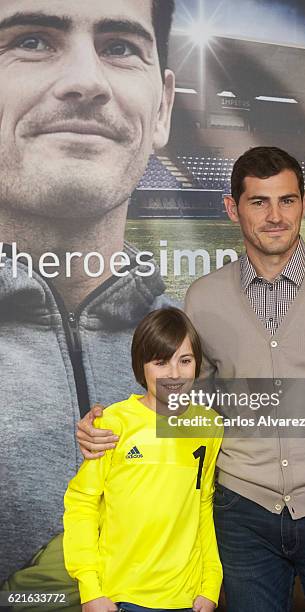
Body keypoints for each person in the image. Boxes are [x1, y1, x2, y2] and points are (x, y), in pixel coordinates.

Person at [80, 147, 305, 611]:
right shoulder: (205, 296)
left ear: (303, 204)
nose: (275, 216)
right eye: (259, 202)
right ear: (233, 208)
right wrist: (108, 427)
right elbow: (190, 404)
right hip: (241, 517)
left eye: (287, 200)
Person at [0, 0, 176, 596]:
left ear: (163, 109)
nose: (85, 81)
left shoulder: (196, 337)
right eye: (31, 40)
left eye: (121, 46)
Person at [63, 308, 222, 612]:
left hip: (187, 599)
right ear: (142, 366)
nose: (174, 374)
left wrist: (210, 585)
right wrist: (90, 588)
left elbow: (202, 505)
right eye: (161, 362)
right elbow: (82, 505)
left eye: (184, 361)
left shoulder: (208, 425)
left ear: (197, 364)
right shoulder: (112, 423)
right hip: (121, 597)